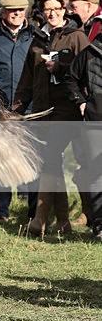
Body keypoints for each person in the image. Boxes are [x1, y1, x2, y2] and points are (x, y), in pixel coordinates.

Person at [12, 0, 90, 236]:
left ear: (64, 9)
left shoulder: (76, 37)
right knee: (52, 162)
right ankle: (63, 221)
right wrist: (16, 111)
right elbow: (27, 80)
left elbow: (88, 72)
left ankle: (39, 221)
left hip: (68, 111)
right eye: (47, 9)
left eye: (57, 8)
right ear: (41, 12)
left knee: (50, 158)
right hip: (42, 111)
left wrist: (61, 68)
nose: (52, 13)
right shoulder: (38, 39)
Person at [0, 0, 35, 222]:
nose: (16, 14)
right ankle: (0, 212)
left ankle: (33, 213)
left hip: (31, 108)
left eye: (20, 10)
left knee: (33, 159)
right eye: (12, 11)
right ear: (1, 12)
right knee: (0, 160)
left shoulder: (35, 37)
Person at [67, 31, 102, 242]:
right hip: (94, 122)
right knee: (98, 174)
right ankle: (99, 224)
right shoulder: (88, 53)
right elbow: (70, 79)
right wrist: (80, 102)